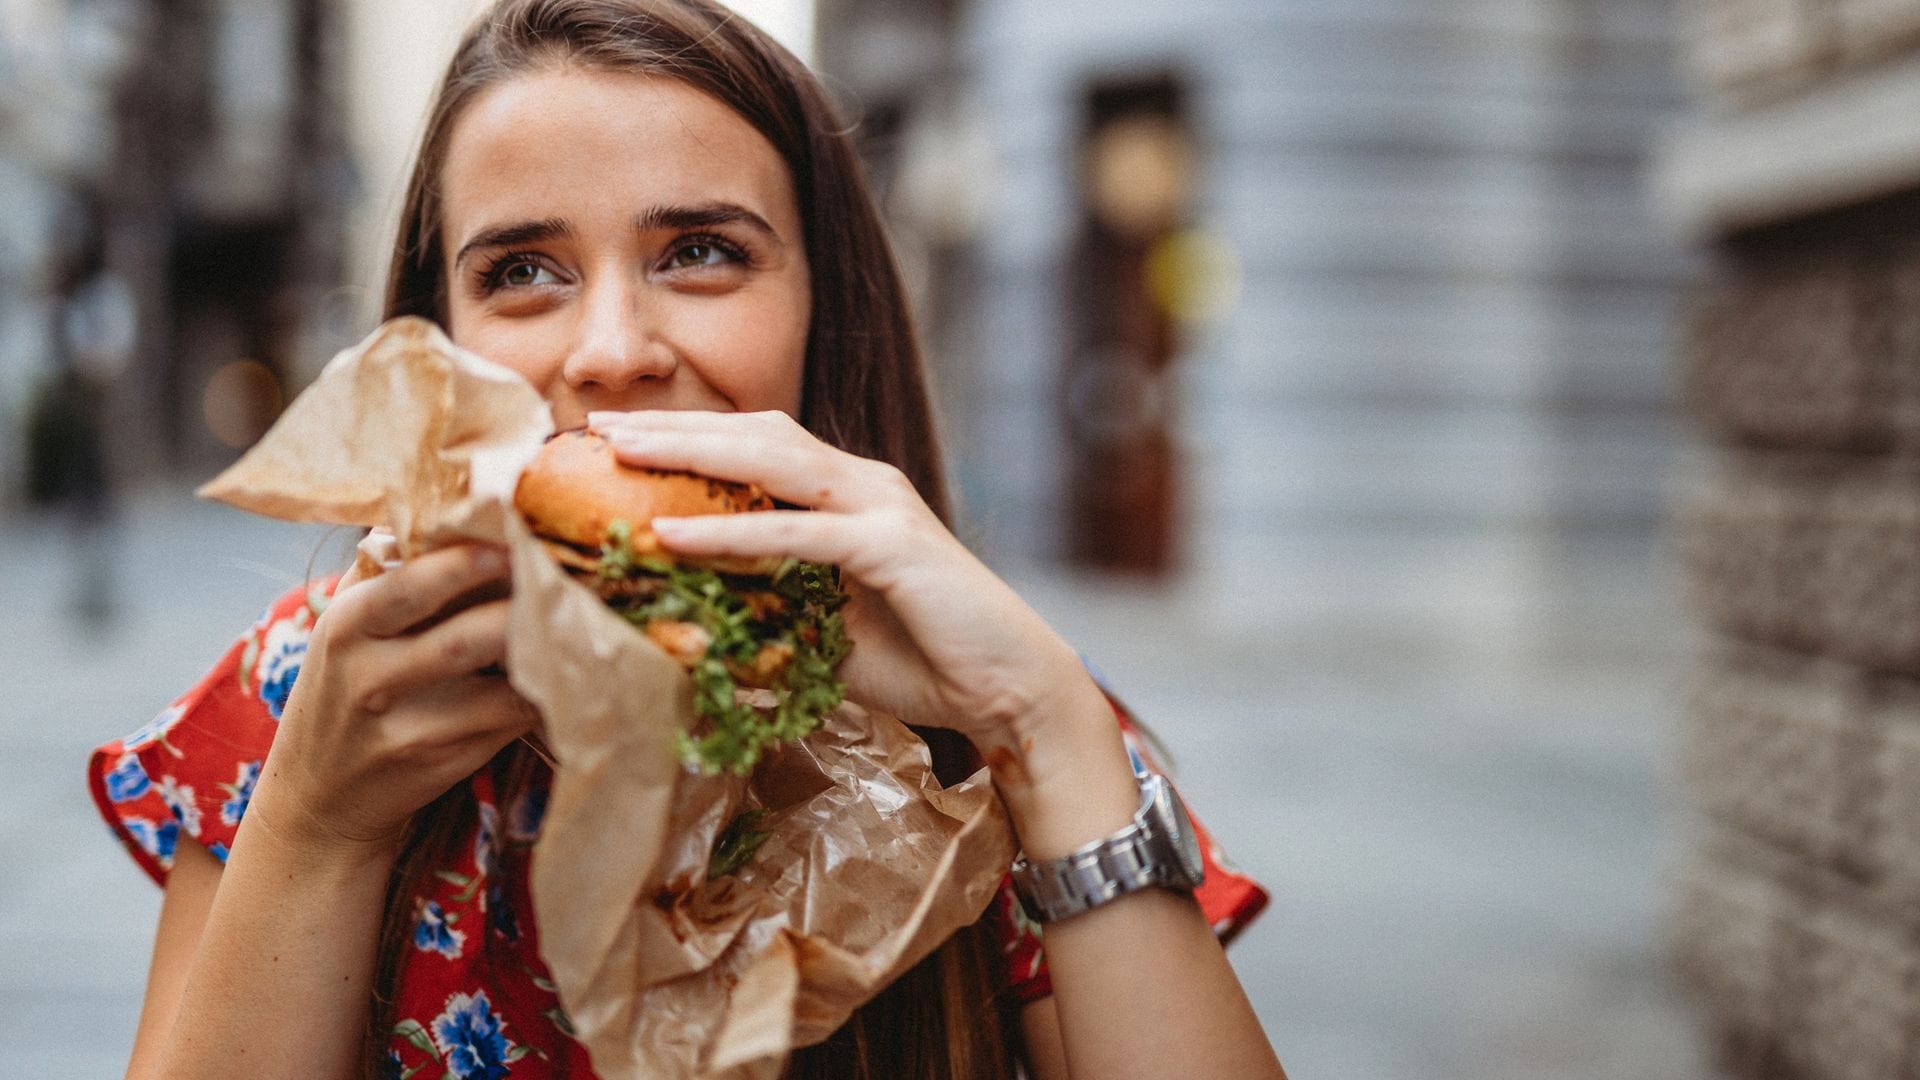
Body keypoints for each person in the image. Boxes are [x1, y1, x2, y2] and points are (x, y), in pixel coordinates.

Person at [88, 2, 1288, 1077]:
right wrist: (319, 822)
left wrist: (1043, 729)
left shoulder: (988, 710)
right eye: (522, 271)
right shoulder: (313, 691)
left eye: (702, 253)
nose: (613, 348)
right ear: (438, 338)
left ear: (826, 306)